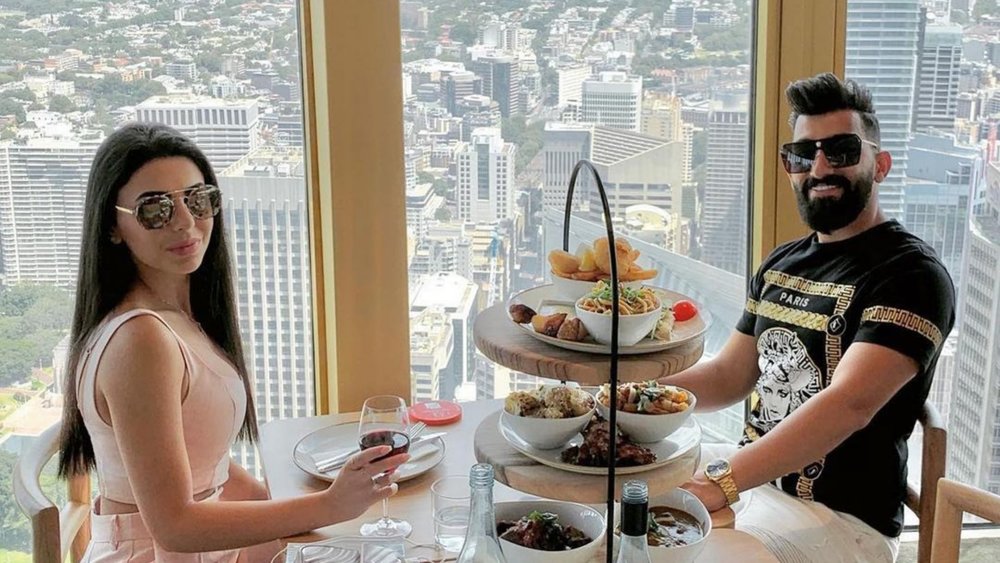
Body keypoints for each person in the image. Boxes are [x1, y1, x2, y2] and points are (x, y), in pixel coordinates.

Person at [57, 122, 408, 562]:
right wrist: (329, 505)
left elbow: (212, 469)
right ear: (113, 227)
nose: (185, 222)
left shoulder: (179, 317)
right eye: (155, 209)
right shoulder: (140, 340)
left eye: (198, 199)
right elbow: (174, 527)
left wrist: (309, 521)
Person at [661, 73, 956, 562]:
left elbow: (849, 405)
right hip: (752, 483)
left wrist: (723, 481)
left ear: (879, 165)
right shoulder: (782, 262)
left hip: (843, 520)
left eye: (840, 150)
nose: (819, 167)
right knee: (619, 491)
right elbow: (729, 375)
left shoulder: (911, 275)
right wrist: (629, 392)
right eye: (802, 155)